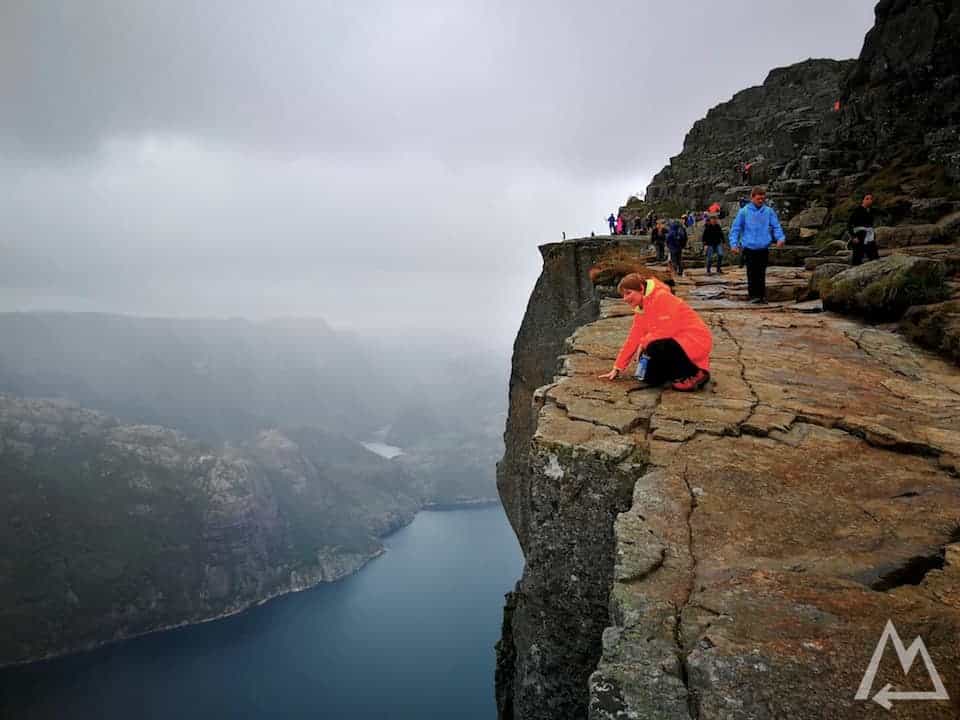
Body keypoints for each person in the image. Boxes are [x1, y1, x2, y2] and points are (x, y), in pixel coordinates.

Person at [597, 273, 712, 391]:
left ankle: (695, 373)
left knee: (654, 346)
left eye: (628, 293)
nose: (625, 298)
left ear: (641, 288)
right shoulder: (641, 309)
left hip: (694, 340)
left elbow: (667, 330)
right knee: (649, 378)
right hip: (677, 343)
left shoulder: (662, 297)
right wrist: (617, 367)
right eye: (623, 295)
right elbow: (633, 338)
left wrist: (643, 343)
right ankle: (678, 374)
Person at [729, 186, 785, 304]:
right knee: (752, 273)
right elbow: (735, 228)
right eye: (759, 198)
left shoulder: (769, 211)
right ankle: (753, 296)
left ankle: (761, 296)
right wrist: (733, 244)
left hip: (763, 247)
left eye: (763, 199)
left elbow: (776, 226)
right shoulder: (744, 211)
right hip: (749, 248)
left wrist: (780, 238)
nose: (761, 201)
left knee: (761, 273)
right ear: (752, 198)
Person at [847, 193, 878, 266]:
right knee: (857, 257)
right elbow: (849, 225)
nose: (869, 200)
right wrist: (853, 236)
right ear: (863, 200)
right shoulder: (857, 211)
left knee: (874, 256)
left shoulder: (871, 211)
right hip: (859, 236)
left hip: (870, 235)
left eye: (871, 199)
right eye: (867, 199)